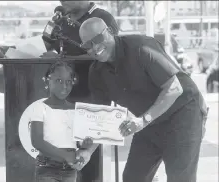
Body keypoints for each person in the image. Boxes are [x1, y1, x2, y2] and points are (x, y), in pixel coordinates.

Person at [78, 17, 209, 182]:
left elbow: (174, 88)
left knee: (179, 178)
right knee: (133, 178)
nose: (95, 47)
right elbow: (102, 119)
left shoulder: (141, 47)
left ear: (110, 32)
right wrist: (87, 152)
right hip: (148, 120)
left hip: (182, 114)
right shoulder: (96, 72)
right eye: (87, 45)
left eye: (98, 39)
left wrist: (143, 121)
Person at [42, 2, 119, 182]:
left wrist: (65, 59)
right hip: (65, 98)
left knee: (89, 159)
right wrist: (46, 47)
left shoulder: (102, 18)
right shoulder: (60, 20)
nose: (63, 2)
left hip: (91, 96)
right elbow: (49, 47)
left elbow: (106, 53)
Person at [29, 61, 94, 182]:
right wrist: (66, 155)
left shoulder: (76, 110)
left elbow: (77, 142)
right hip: (47, 168)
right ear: (48, 81)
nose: (64, 86)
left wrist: (85, 146)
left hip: (70, 170)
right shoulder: (40, 108)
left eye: (69, 82)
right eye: (59, 81)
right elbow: (37, 141)